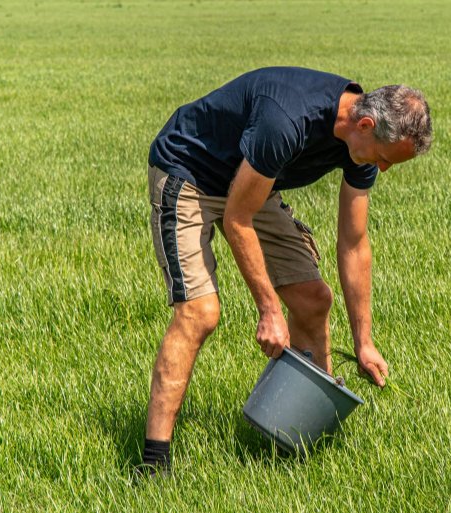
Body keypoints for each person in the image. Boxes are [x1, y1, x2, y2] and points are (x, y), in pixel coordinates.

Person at [142, 66, 432, 475]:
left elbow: (353, 242)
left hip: (252, 181)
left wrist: (363, 342)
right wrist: (269, 310)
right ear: (365, 124)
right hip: (189, 173)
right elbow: (237, 220)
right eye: (384, 160)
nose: (382, 170)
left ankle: (303, 441)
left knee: (314, 299)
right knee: (200, 313)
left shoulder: (363, 144)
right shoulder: (287, 118)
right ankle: (154, 464)